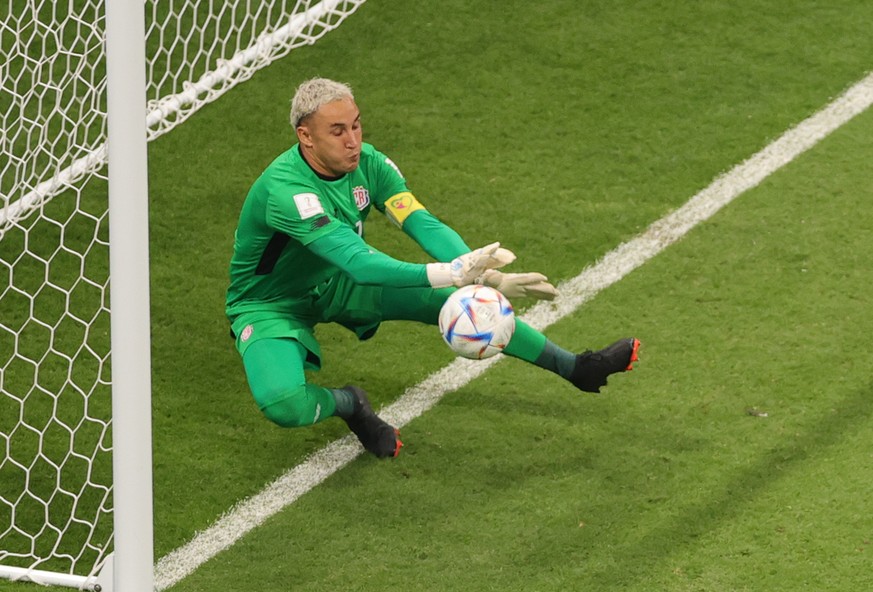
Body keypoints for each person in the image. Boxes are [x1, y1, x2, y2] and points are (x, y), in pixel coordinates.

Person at [225, 78, 640, 459]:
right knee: (284, 404)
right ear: (306, 136)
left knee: (471, 305)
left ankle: (577, 368)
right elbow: (360, 262)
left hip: (339, 284)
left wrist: (481, 274)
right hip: (272, 304)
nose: (353, 141)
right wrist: (453, 273)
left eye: (356, 126)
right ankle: (351, 404)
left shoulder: (370, 165)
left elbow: (420, 221)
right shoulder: (287, 192)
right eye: (337, 132)